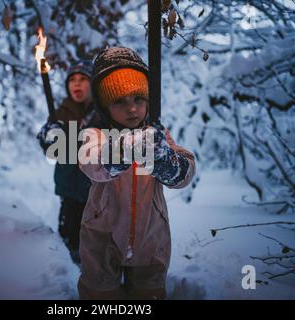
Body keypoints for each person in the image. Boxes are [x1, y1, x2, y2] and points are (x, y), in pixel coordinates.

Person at [77, 47, 196, 299]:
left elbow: (185, 169)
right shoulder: (95, 134)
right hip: (102, 234)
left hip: (151, 234)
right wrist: (122, 150)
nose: (132, 109)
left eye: (138, 99)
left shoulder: (157, 135)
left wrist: (168, 163)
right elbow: (90, 161)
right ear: (104, 106)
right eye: (119, 101)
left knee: (148, 292)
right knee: (100, 292)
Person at [37, 60, 97, 264]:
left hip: (96, 190)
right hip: (69, 187)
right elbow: (51, 150)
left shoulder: (102, 112)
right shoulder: (61, 112)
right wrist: (48, 135)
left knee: (97, 241)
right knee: (70, 238)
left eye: (83, 79)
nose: (77, 85)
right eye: (72, 80)